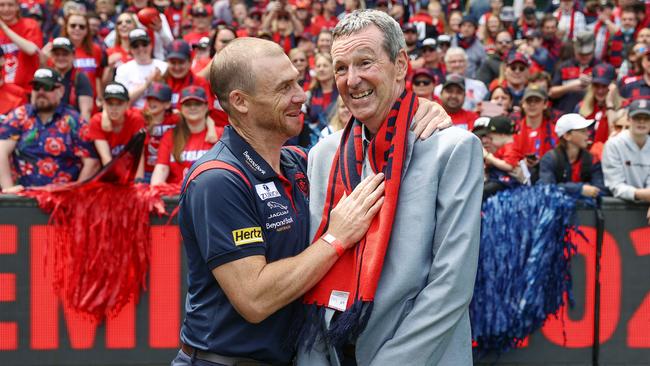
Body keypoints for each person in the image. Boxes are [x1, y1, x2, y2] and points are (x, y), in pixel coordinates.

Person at [173, 35, 452, 365]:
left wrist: (416, 110)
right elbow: (255, 299)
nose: (300, 96)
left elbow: (368, 151)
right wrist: (336, 238)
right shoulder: (218, 179)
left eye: (297, 82)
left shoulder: (297, 162)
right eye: (284, 88)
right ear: (241, 101)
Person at [298, 9, 482, 365]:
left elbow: (452, 285)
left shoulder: (453, 148)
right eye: (340, 68)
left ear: (400, 65)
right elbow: (313, 270)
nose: (352, 80)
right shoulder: (322, 155)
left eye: (365, 62)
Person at [0, 68, 99, 192]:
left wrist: (76, 193)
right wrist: (9, 189)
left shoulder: (74, 121)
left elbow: (92, 162)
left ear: (61, 90)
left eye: (47, 87)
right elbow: (1, 151)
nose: (41, 91)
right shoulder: (19, 116)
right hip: (24, 199)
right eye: (36, 86)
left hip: (62, 200)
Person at [150, 86, 219, 185]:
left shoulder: (220, 134)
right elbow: (161, 169)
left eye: (197, 103)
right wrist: (155, 190)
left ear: (206, 106)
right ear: (180, 108)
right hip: (177, 196)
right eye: (187, 104)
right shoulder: (170, 136)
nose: (192, 107)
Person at [602, 99, 650, 224]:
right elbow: (615, 185)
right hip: (619, 213)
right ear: (629, 119)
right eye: (637, 117)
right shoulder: (613, 145)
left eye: (646, 118)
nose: (642, 121)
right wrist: (645, 195)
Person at [538, 113, 606, 198]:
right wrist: (580, 189)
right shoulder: (550, 159)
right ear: (567, 135)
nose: (588, 134)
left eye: (587, 130)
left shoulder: (592, 159)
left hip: (586, 210)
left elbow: (601, 189)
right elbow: (546, 188)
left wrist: (563, 187)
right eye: (582, 131)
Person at [87, 82, 145, 167]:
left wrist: (138, 179)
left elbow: (140, 154)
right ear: (104, 104)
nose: (114, 108)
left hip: (129, 168)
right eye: (110, 103)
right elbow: (106, 158)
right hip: (105, 170)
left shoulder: (136, 119)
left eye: (119, 103)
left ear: (127, 104)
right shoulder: (96, 121)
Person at [115, 29, 168, 109]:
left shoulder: (163, 66)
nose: (141, 48)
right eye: (135, 46)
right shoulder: (123, 69)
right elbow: (122, 102)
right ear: (130, 49)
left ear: (150, 45)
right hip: (134, 114)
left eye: (144, 44)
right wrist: (146, 84)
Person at [46, 37, 94, 122]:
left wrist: (83, 132)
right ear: (52, 56)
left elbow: (85, 111)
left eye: (65, 54)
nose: (61, 57)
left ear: (73, 55)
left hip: (72, 126)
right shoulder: (46, 77)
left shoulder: (80, 78)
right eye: (57, 54)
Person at [0, 0, 42, 91]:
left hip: (27, 89)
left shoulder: (30, 24)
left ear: (17, 7)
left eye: (10, 5)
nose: (6, 9)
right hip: (4, 92)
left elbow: (31, 50)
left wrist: (4, 28)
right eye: (1, 5)